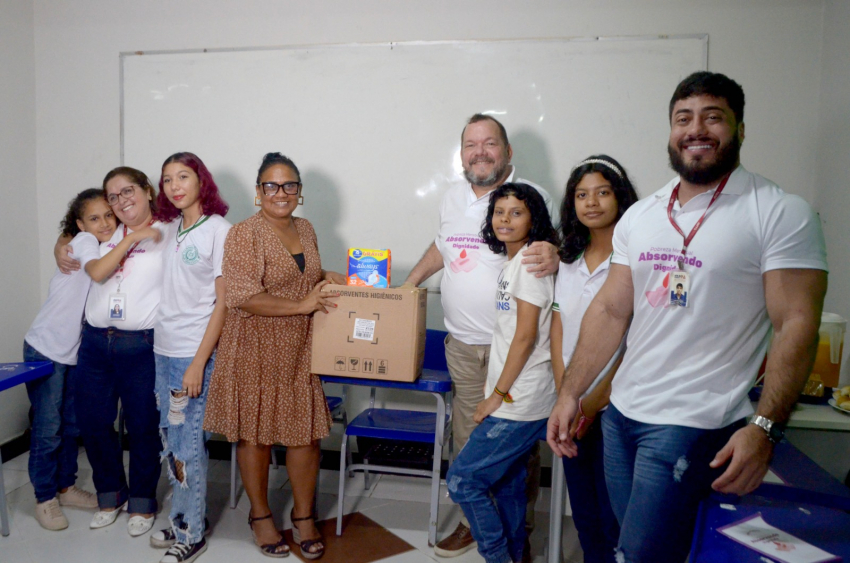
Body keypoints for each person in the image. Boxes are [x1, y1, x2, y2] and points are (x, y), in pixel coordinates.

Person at [547, 72, 828, 563]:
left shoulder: (779, 212)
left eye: (713, 116)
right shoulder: (642, 215)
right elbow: (612, 309)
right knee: (629, 547)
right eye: (684, 118)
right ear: (671, 131)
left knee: (640, 555)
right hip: (622, 418)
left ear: (740, 129)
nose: (696, 129)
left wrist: (765, 428)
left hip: (693, 423)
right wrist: (570, 393)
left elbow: (796, 323)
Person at [403, 114, 559, 556]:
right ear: (462, 154)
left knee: (516, 452)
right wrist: (408, 285)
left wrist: (556, 250)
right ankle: (476, 523)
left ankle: (517, 533)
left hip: (515, 349)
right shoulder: (452, 198)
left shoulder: (531, 196)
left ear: (508, 152)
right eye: (471, 145)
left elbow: (558, 246)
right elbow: (443, 246)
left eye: (490, 143)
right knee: (469, 439)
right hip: (463, 344)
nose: (480, 152)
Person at [204, 153, 346, 559]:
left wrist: (325, 275)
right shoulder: (244, 234)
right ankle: (261, 516)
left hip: (300, 346)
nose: (280, 193)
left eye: (289, 186)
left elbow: (299, 274)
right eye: (271, 185)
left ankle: (304, 517)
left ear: (300, 192)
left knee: (305, 435)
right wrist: (303, 305)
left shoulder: (306, 227)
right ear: (257, 193)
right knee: (257, 435)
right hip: (254, 345)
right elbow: (243, 296)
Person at [446, 182, 558, 563]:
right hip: (517, 394)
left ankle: (497, 557)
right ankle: (514, 555)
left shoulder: (530, 263)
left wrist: (496, 395)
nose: (505, 220)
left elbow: (526, 337)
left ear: (534, 219)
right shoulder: (515, 262)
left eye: (517, 213)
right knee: (509, 484)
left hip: (520, 398)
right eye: (499, 212)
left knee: (463, 479)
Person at [62, 167, 169, 535]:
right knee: (92, 422)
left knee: (143, 425)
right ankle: (111, 494)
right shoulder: (106, 231)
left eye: (128, 192)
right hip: (94, 341)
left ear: (148, 191)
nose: (121, 202)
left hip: (140, 344)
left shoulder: (168, 232)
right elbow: (73, 239)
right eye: (112, 196)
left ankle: (141, 501)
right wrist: (62, 245)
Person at [550, 156, 638, 563]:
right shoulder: (567, 259)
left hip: (614, 406)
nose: (592, 203)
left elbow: (632, 340)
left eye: (602, 192)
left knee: (613, 515)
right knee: (584, 512)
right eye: (582, 195)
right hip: (572, 405)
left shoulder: (636, 260)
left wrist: (591, 402)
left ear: (620, 197)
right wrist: (563, 395)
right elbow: (557, 328)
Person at [147, 152, 231, 563]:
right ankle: (184, 515)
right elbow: (113, 222)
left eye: (183, 176)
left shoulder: (218, 230)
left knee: (185, 444)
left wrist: (199, 362)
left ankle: (192, 532)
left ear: (201, 181)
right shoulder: (166, 227)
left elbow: (223, 304)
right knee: (172, 440)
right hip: (162, 351)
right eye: (166, 180)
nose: (175, 185)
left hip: (190, 356)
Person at [23, 188, 117, 530]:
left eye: (109, 214)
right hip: (46, 347)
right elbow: (82, 251)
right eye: (94, 218)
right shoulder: (84, 244)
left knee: (71, 425)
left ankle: (65, 487)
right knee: (48, 429)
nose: (105, 223)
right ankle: (44, 498)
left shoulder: (108, 242)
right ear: (79, 225)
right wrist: (64, 241)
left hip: (76, 353)